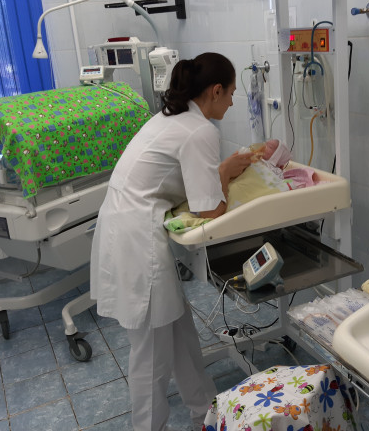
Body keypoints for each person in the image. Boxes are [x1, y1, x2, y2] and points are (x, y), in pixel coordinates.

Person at [89, 52, 253, 431]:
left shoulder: (170, 117)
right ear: (215, 91)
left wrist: (221, 170)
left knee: (181, 338)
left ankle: (205, 416)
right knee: (152, 358)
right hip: (136, 241)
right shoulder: (200, 130)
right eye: (231, 94)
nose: (231, 103)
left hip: (125, 227)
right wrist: (226, 172)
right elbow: (209, 208)